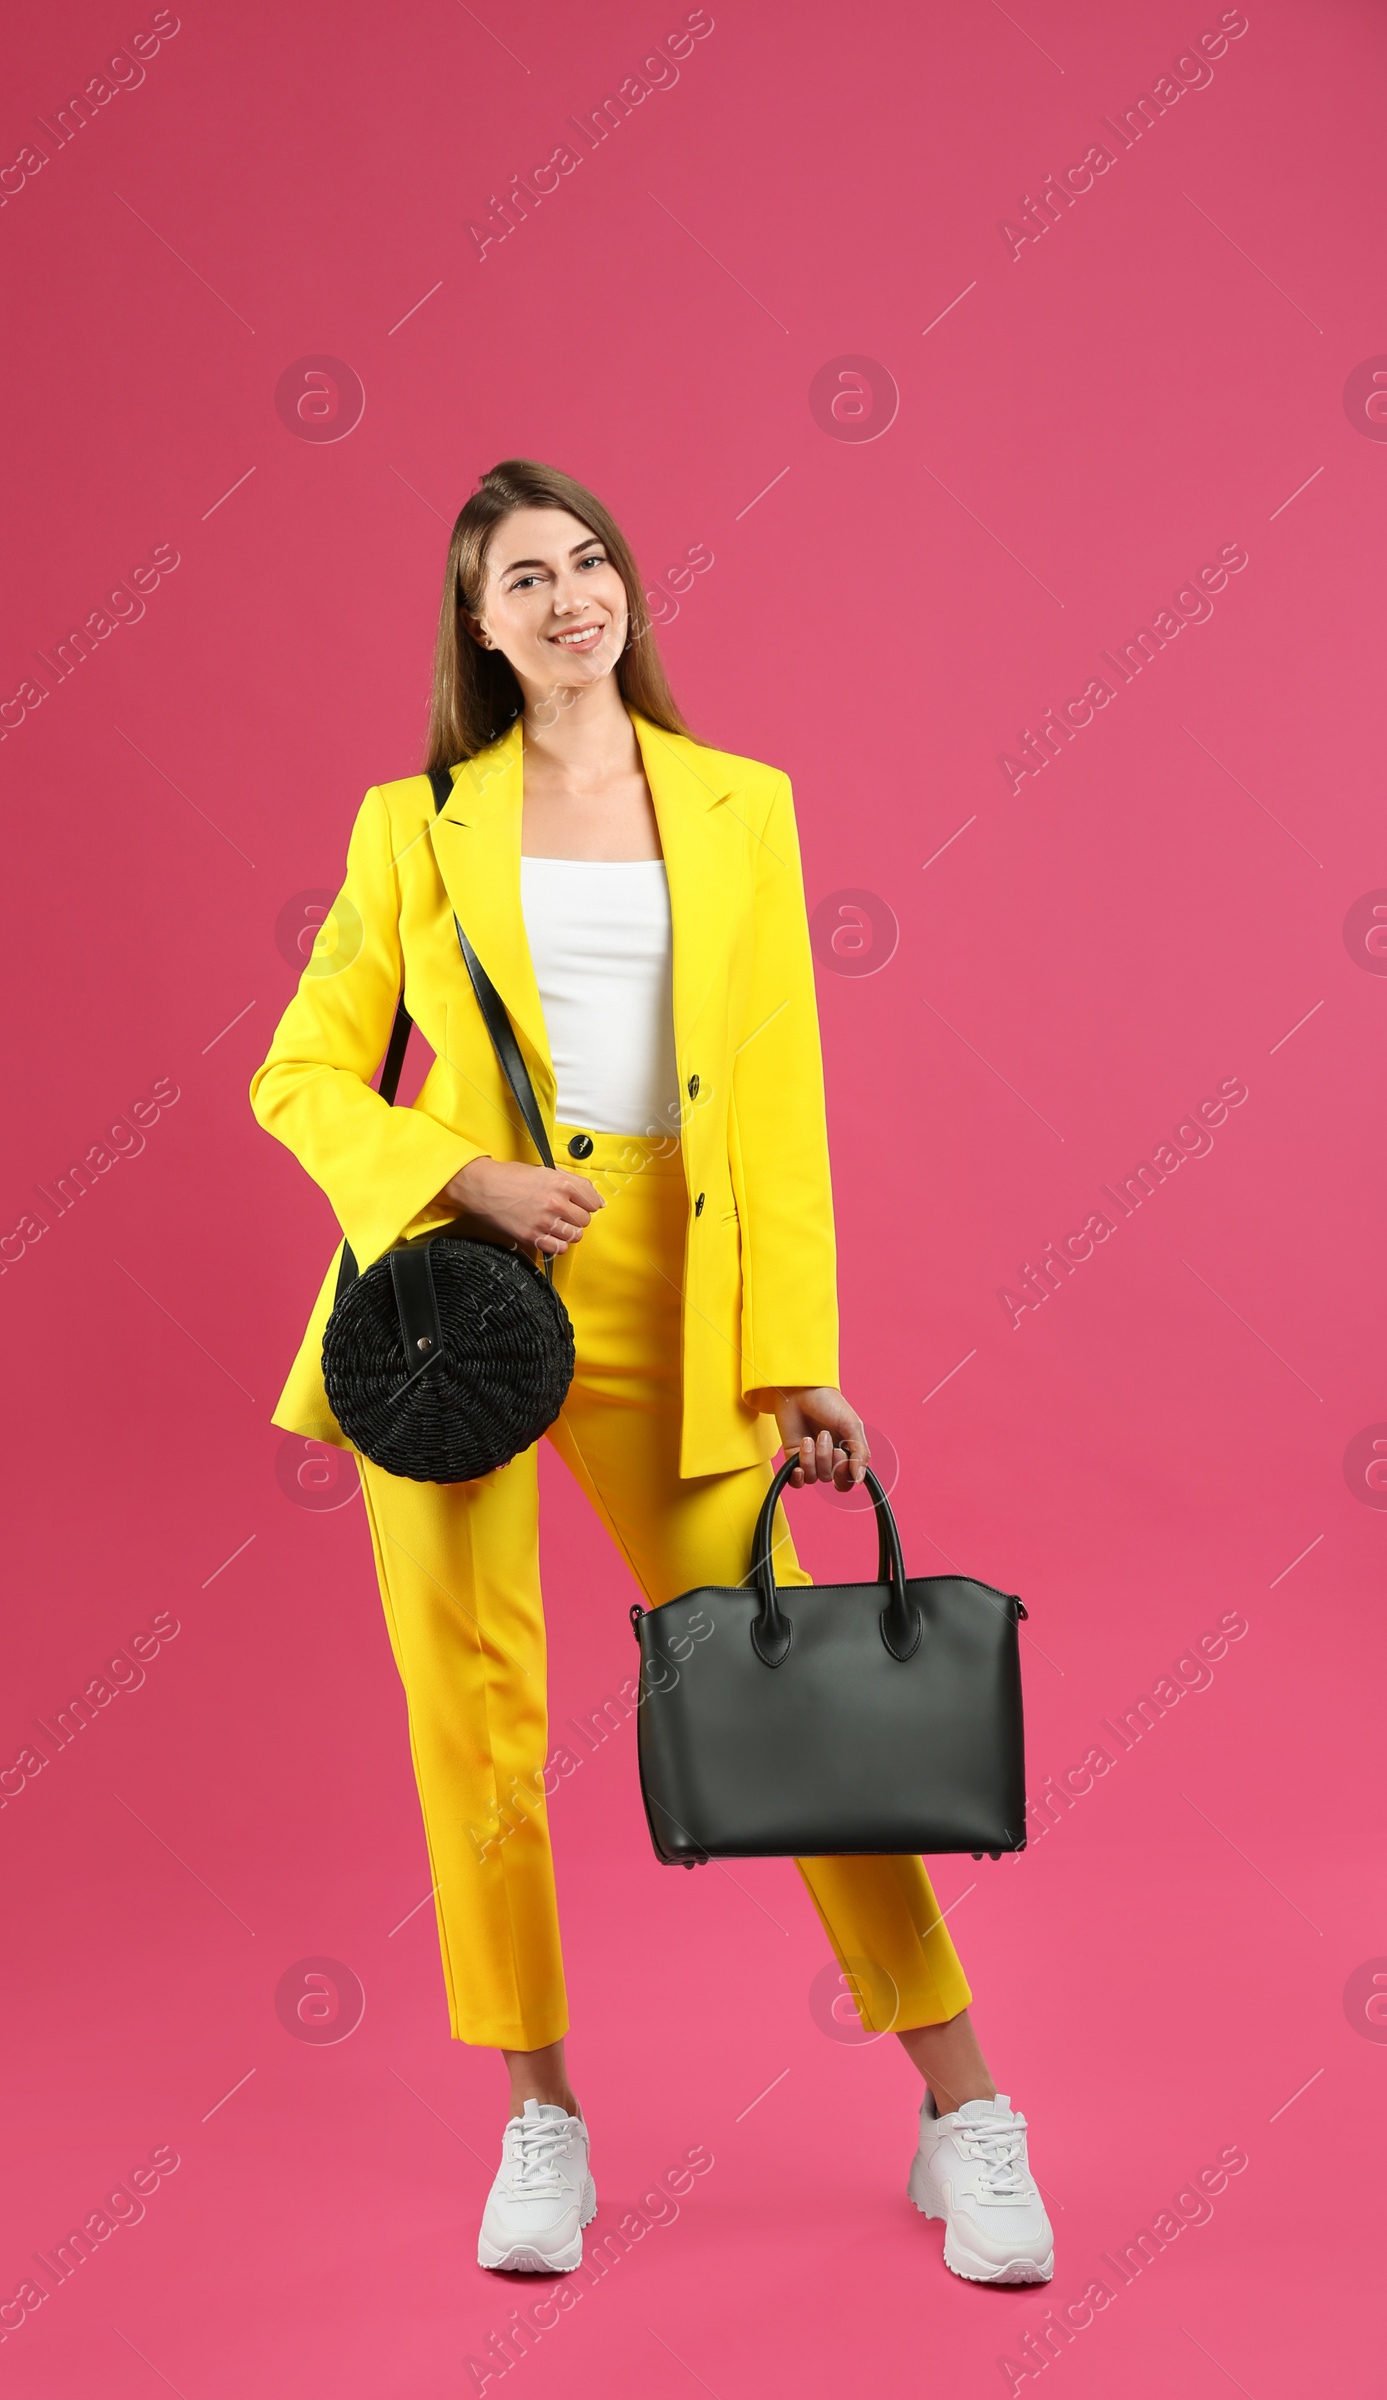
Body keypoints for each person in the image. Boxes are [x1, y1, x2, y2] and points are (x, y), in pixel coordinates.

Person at [249, 459, 1053, 2287]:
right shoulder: (415, 826)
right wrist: (453, 1172)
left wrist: (800, 1358)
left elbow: (778, 1107)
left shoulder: (738, 809)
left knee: (788, 1703)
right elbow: (296, 1074)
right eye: (524, 578)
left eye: (590, 561)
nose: (568, 597)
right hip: (461, 1300)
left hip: (686, 1295)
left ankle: (964, 2116)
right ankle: (540, 2116)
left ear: (626, 591)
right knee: (481, 1722)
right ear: (479, 624)